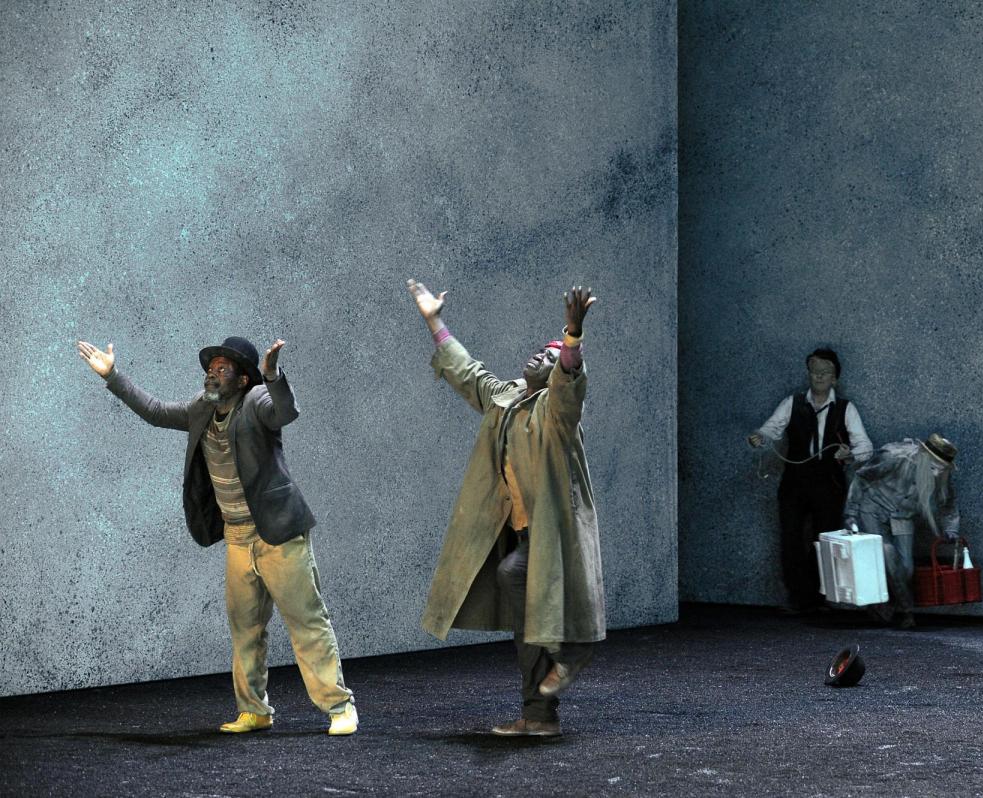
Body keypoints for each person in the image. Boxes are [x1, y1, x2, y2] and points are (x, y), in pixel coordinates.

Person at [75, 336, 357, 735]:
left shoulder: (256, 401)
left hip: (277, 533)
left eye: (223, 369)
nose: (212, 373)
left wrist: (272, 375)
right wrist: (113, 377)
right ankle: (255, 711)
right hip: (237, 537)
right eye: (211, 367)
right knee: (245, 628)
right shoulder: (202, 408)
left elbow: (285, 411)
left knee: (306, 622)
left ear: (242, 380)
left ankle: (340, 707)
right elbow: (155, 412)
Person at [406, 279, 604, 738]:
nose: (539, 356)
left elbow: (570, 380)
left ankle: (571, 653)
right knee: (528, 628)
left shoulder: (557, 409)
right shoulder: (508, 399)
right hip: (522, 531)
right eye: (540, 352)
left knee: (515, 578)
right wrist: (434, 322)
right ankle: (539, 716)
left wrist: (572, 336)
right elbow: (468, 372)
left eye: (549, 357)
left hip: (554, 536)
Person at [748, 348, 873, 613]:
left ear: (835, 378)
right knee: (791, 538)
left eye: (825, 372)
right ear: (808, 373)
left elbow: (866, 446)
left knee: (825, 540)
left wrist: (850, 454)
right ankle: (798, 598)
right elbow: (772, 428)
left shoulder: (846, 408)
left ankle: (821, 597)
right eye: (814, 371)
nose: (819, 376)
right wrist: (761, 437)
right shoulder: (792, 403)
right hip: (794, 482)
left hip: (829, 483)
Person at [843, 433, 961, 630]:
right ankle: (906, 611)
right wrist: (851, 513)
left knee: (906, 566)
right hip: (873, 509)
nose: (936, 473)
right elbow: (861, 477)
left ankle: (886, 605)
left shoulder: (941, 476)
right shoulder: (894, 456)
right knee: (887, 553)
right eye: (933, 466)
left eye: (942, 469)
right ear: (924, 455)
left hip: (903, 516)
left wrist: (951, 529)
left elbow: (948, 504)